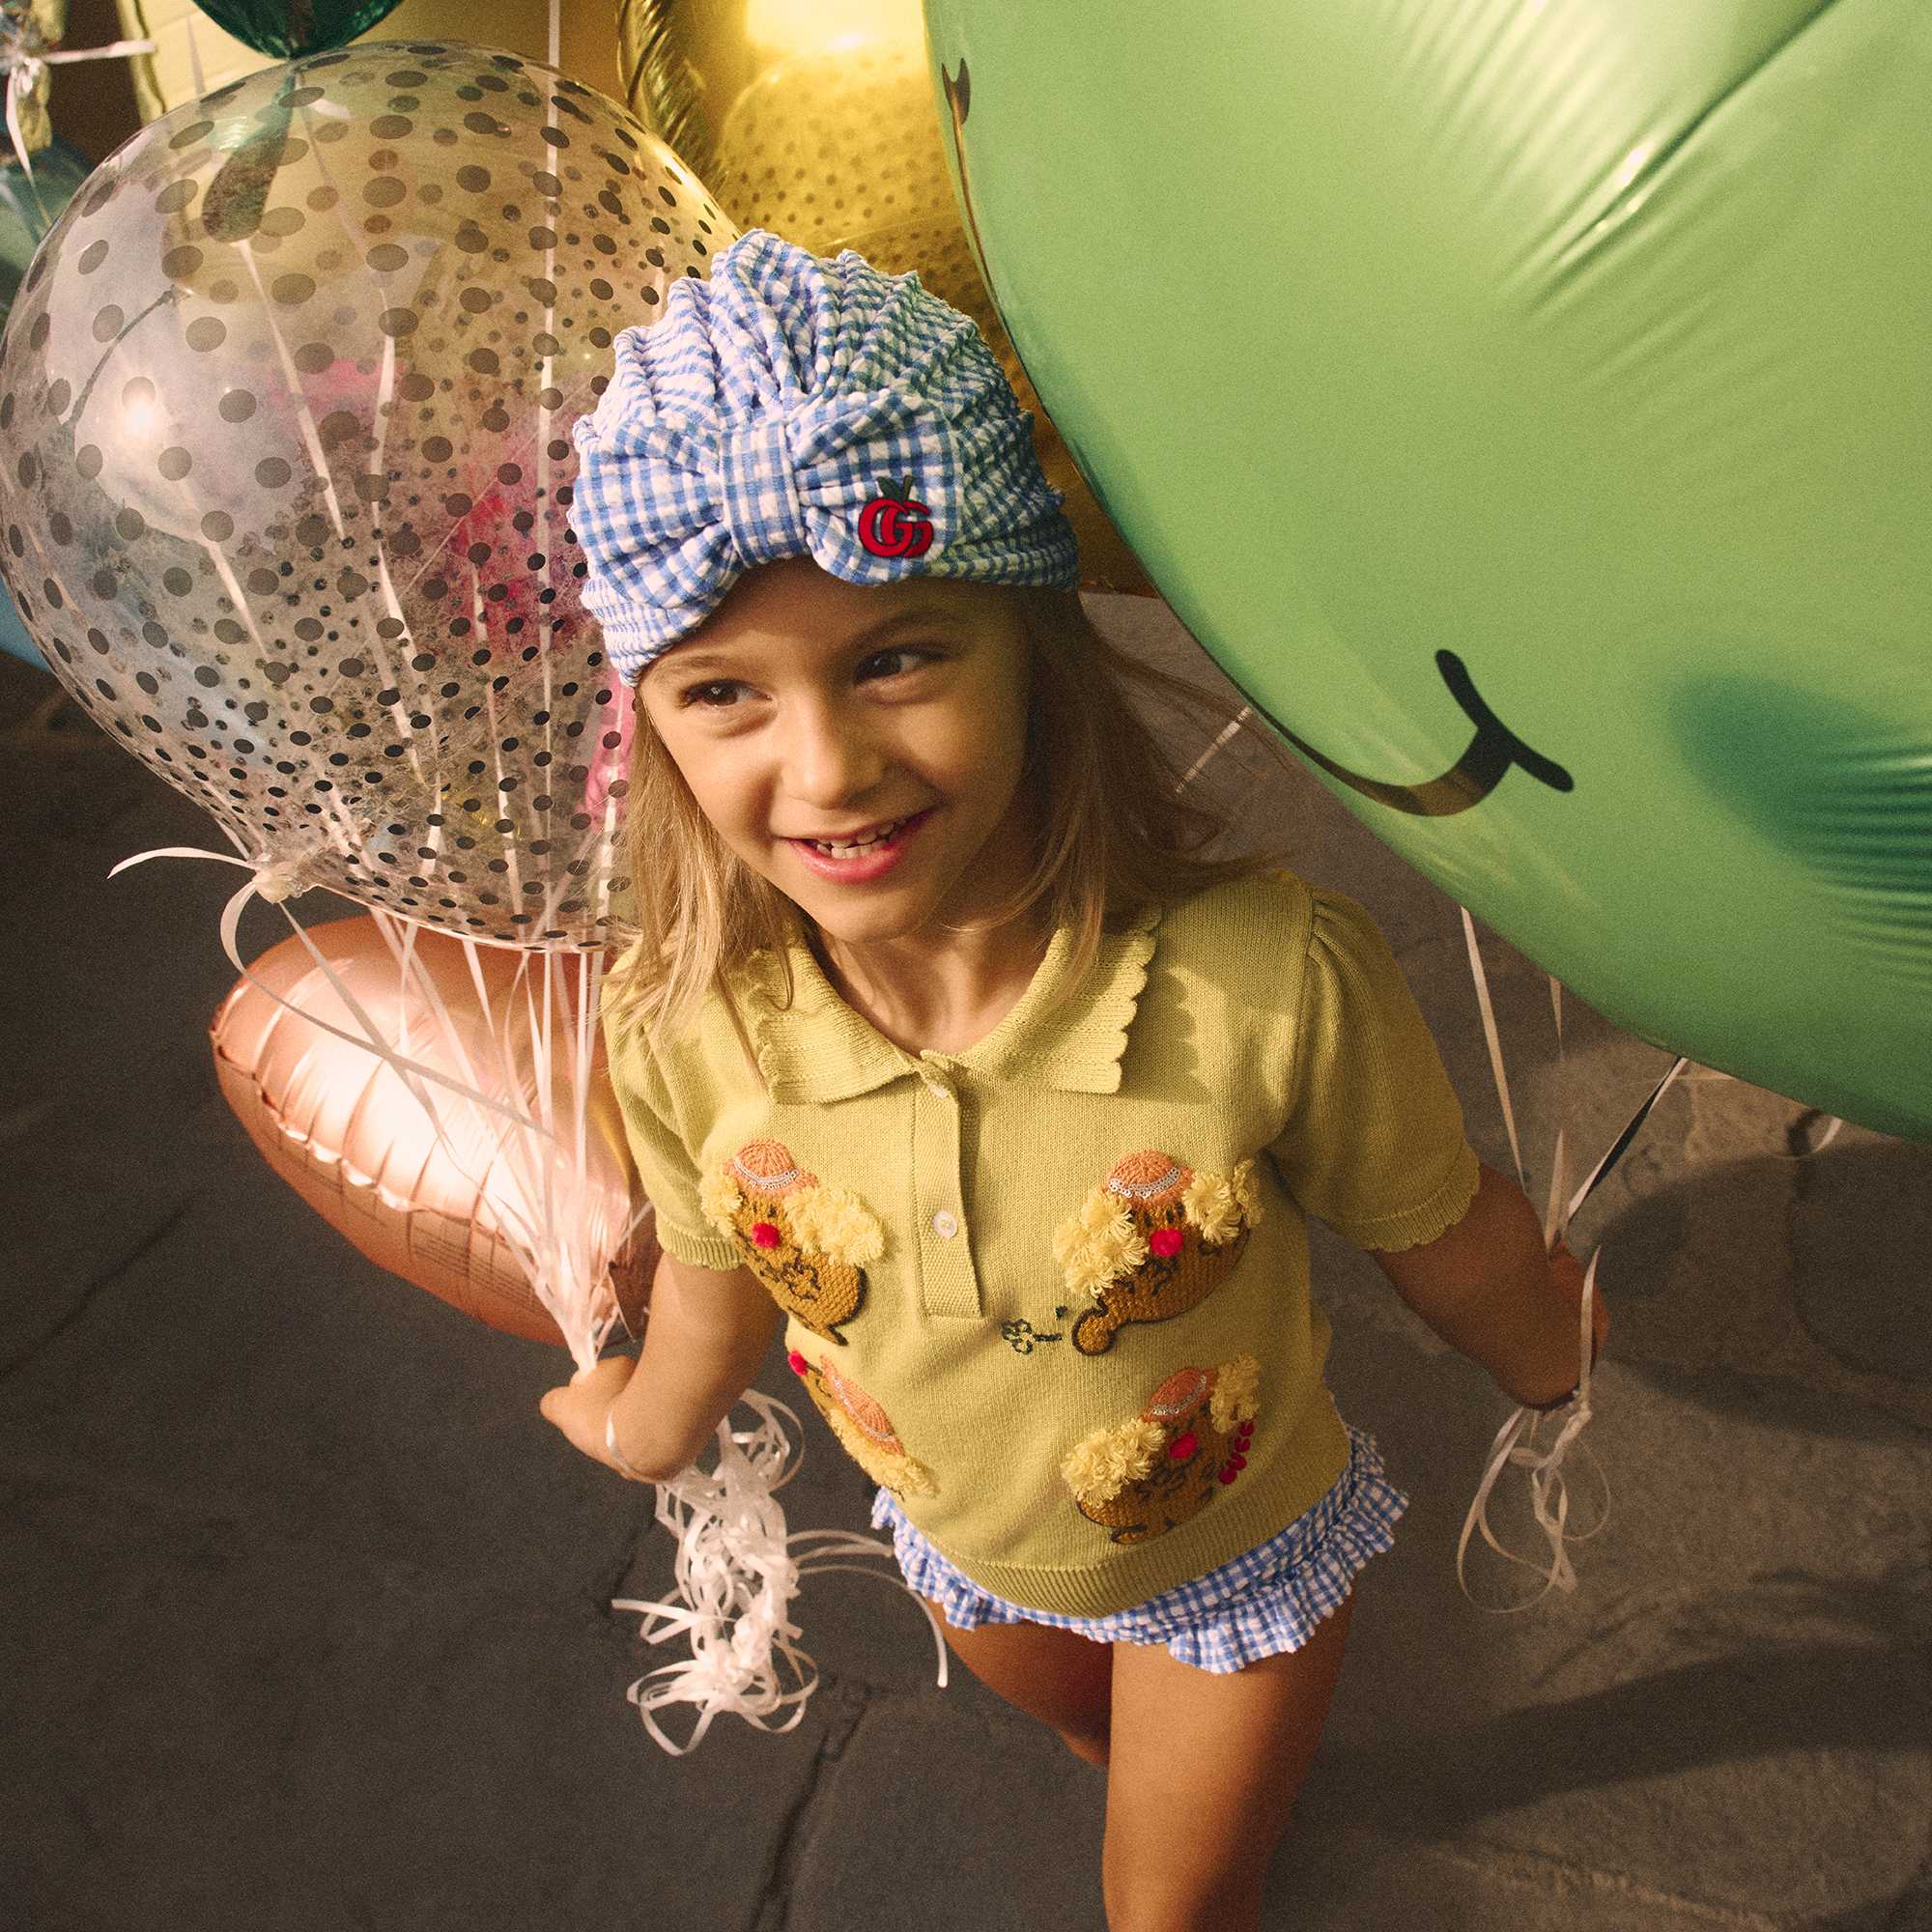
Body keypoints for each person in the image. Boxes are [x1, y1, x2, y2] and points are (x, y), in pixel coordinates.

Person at [539, 230, 1607, 1932]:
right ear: (649, 722)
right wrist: (651, 1417)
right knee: (1108, 1754)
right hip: (960, 1550)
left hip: (1231, 1565)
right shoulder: (681, 1021)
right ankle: (1196, 1796)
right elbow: (716, 1264)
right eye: (725, 693)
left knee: (1167, 1910)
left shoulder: (1266, 981)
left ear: (1037, 644)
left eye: (897, 657)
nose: (827, 767)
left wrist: (1550, 1341)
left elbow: (1448, 1225)